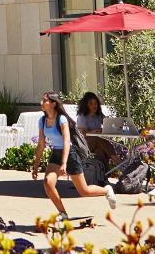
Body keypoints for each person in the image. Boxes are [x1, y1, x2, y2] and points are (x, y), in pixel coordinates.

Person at [31, 91, 117, 220]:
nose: (41, 103)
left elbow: (66, 141)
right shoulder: (42, 120)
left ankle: (106, 190)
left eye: (45, 101)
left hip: (70, 154)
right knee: (48, 183)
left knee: (84, 191)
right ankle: (63, 213)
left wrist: (65, 163)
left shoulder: (62, 119)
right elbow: (41, 144)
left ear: (53, 103)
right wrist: (36, 165)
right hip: (56, 154)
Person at [76, 91, 117, 166]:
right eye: (91, 104)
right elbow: (83, 134)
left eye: (95, 103)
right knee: (97, 138)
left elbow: (109, 125)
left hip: (98, 144)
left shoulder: (99, 115)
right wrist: (95, 131)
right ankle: (117, 160)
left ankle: (104, 175)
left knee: (100, 153)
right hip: (84, 144)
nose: (94, 106)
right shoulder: (82, 116)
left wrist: (106, 128)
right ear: (86, 105)